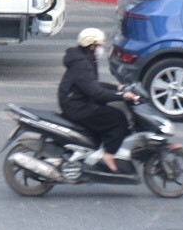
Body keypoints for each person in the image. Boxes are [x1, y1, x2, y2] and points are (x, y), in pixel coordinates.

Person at [59, 27, 139, 171]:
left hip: (79, 101)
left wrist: (117, 88)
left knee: (108, 114)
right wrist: (121, 96)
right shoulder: (82, 63)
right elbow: (96, 92)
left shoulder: (85, 59)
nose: (101, 49)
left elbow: (91, 84)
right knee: (118, 118)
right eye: (99, 45)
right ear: (92, 46)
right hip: (77, 106)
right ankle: (108, 155)